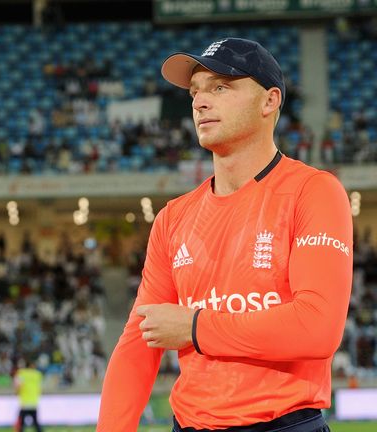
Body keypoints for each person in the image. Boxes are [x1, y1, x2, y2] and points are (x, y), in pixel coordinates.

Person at [98, 38, 353, 431]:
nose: (199, 102)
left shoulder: (313, 191)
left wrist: (196, 327)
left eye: (220, 87)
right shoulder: (173, 218)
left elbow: (317, 327)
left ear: (269, 102)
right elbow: (138, 344)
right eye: (195, 91)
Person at [14, 358, 44, 432]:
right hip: (33, 402)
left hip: (24, 402)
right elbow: (40, 388)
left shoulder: (21, 373)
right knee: (36, 423)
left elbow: (18, 386)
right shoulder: (37, 374)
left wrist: (17, 392)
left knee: (21, 423)